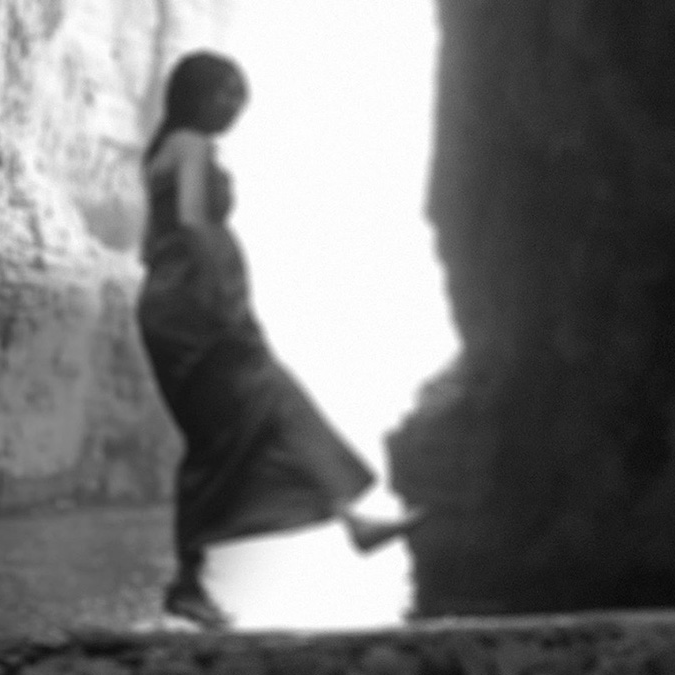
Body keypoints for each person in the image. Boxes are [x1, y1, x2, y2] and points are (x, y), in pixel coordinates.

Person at [136, 50, 426, 630]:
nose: (234, 106)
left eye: (239, 95)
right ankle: (189, 583)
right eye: (224, 93)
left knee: (260, 415)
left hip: (175, 306)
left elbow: (154, 242)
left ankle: (348, 520)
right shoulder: (192, 143)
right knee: (232, 431)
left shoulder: (163, 151)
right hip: (200, 312)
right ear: (194, 96)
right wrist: (223, 303)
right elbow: (194, 221)